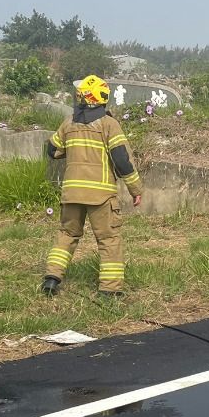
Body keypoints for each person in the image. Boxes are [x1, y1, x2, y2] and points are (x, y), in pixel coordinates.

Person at [42, 75, 143, 297]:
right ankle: (109, 291)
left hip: (72, 194)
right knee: (108, 239)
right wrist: (136, 189)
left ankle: (51, 278)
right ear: (102, 97)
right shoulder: (109, 124)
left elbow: (53, 150)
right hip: (101, 195)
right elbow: (121, 160)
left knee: (67, 234)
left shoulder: (69, 123)